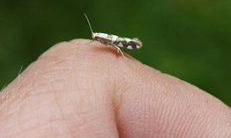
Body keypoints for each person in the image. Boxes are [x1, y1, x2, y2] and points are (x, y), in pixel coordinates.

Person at [0, 39, 230, 137]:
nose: (95, 40)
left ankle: (130, 44)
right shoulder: (98, 42)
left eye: (95, 38)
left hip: (119, 41)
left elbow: (109, 44)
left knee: (119, 45)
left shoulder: (105, 41)